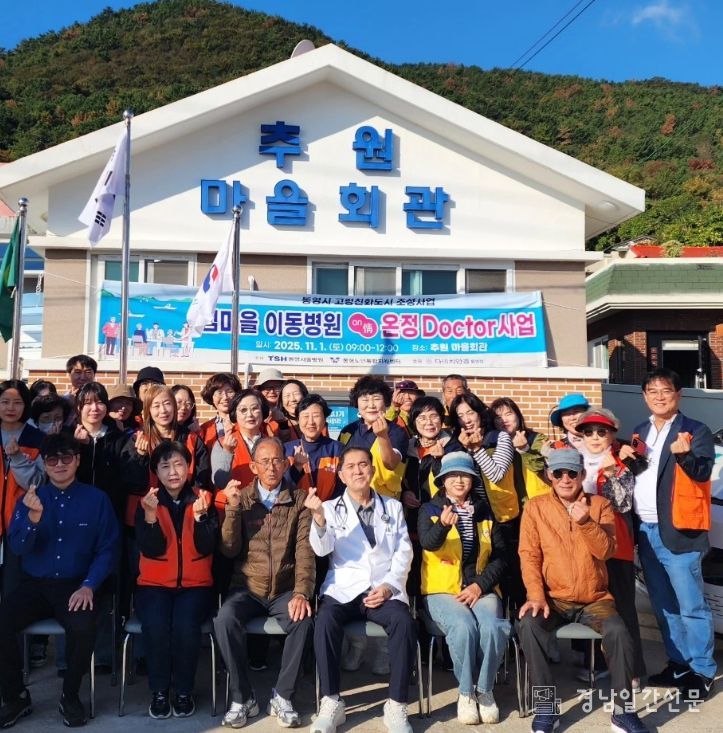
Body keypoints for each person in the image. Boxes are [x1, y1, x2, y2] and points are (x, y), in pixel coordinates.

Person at [517, 448, 647, 733]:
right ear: (549, 476)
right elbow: (529, 555)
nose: (565, 479)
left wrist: (586, 522)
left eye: (572, 473)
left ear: (582, 475)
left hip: (594, 599)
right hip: (553, 597)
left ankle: (623, 711)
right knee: (528, 625)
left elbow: (607, 550)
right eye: (558, 473)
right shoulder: (536, 507)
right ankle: (546, 706)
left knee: (618, 631)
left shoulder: (600, 505)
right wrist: (536, 595)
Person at [0, 433, 119, 729]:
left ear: (77, 461)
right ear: (44, 464)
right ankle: (15, 696)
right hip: (35, 585)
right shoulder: (30, 499)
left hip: (76, 584)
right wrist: (33, 520)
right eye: (52, 460)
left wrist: (90, 584)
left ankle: (70, 695)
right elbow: (17, 547)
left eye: (67, 458)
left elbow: (108, 549)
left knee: (84, 627)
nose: (60, 464)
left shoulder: (97, 500)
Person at [307, 446, 416, 733]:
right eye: (351, 466)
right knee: (325, 621)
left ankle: (396, 705)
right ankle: (331, 701)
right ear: (341, 475)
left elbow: (404, 551)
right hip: (344, 588)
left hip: (382, 588)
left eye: (364, 464)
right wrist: (318, 519)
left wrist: (389, 586)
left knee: (404, 623)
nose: (358, 471)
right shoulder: (329, 508)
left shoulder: (392, 507)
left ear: (372, 469)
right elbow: (321, 550)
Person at [214, 437, 314, 729]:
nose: (271, 467)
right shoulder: (242, 498)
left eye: (277, 461)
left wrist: (301, 593)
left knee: (303, 620)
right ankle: (242, 697)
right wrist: (233, 510)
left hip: (284, 589)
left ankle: (283, 696)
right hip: (247, 588)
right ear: (253, 467)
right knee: (224, 619)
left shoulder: (299, 500)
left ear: (285, 464)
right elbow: (228, 549)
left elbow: (305, 552)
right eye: (265, 461)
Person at [633, 368, 716, 699]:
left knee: (691, 605)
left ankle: (703, 671)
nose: (659, 396)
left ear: (678, 395)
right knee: (664, 605)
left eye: (665, 390)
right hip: (645, 531)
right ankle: (679, 663)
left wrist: (685, 455)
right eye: (652, 391)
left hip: (680, 532)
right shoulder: (640, 431)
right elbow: (641, 474)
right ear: (644, 396)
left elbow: (702, 472)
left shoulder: (695, 431)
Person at [418, 452, 510, 724]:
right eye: (453, 475)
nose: (459, 480)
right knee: (464, 626)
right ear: (443, 480)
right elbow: (428, 543)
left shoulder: (484, 511)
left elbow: (501, 557)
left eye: (465, 476)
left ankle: (485, 689)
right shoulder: (430, 509)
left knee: (493, 626)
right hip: (442, 589)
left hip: (480, 587)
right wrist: (443, 526)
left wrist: (479, 586)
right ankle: (466, 692)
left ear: (472, 481)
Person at [135, 441, 218, 719]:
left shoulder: (203, 499)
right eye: (165, 466)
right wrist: (150, 517)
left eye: (179, 464)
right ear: (156, 472)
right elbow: (151, 549)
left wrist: (201, 517)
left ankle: (184, 691)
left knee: (185, 626)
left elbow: (208, 547)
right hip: (154, 586)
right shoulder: (147, 503)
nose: (173, 472)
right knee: (156, 625)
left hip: (195, 586)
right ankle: (159, 691)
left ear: (188, 467)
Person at [576, 407, 645, 689]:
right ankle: (598, 663)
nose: (594, 437)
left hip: (617, 547)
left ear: (612, 434)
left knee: (623, 607)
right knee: (591, 604)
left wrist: (610, 470)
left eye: (601, 431)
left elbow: (622, 503)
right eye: (588, 432)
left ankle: (632, 669)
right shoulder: (574, 462)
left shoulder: (621, 462)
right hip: (583, 547)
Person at [0, 380, 46, 596]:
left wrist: (18, 459)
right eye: (5, 402)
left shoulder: (37, 439)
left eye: (17, 402)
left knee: (13, 591)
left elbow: (38, 483)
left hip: (20, 524)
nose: (11, 408)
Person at [338, 376, 408, 500]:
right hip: (350, 500)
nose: (371, 405)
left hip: (385, 501)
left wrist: (382, 436)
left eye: (376, 399)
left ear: (386, 403)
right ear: (357, 403)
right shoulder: (348, 431)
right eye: (365, 400)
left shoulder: (397, 431)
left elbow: (391, 463)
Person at [284, 394, 343, 501]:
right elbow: (282, 488)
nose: (311, 422)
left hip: (329, 509)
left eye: (316, 416)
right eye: (305, 416)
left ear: (324, 419)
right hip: (297, 509)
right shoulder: (287, 450)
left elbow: (344, 486)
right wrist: (296, 467)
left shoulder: (337, 449)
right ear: (298, 419)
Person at [198, 372, 243, 489]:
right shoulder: (204, 429)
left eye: (230, 391)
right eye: (219, 392)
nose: (225, 397)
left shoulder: (246, 424)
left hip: (243, 485)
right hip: (214, 490)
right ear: (211, 397)